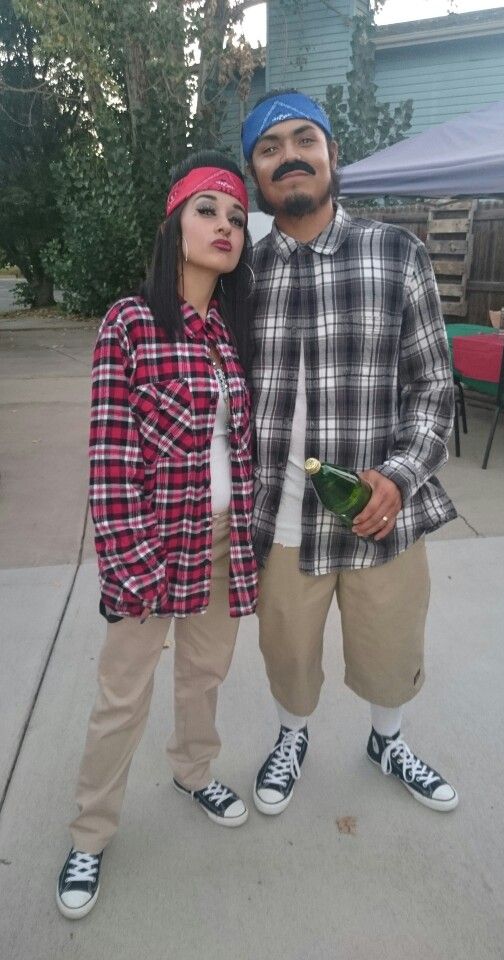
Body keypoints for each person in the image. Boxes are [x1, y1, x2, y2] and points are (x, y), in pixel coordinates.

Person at [241, 90, 459, 818]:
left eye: (306, 139)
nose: (291, 156)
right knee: (288, 653)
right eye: (270, 149)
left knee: (390, 648)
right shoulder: (241, 275)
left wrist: (399, 478)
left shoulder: (397, 253)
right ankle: (291, 736)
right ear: (255, 175)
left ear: (333, 155)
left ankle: (387, 740)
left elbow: (434, 387)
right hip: (284, 515)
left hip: (379, 509)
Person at [56, 151, 258, 920]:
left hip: (220, 536)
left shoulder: (227, 332)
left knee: (204, 674)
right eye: (208, 210)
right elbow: (110, 459)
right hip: (150, 540)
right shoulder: (131, 321)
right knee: (122, 695)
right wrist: (129, 564)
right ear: (174, 224)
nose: (225, 227)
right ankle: (90, 833)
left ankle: (192, 768)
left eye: (237, 217)